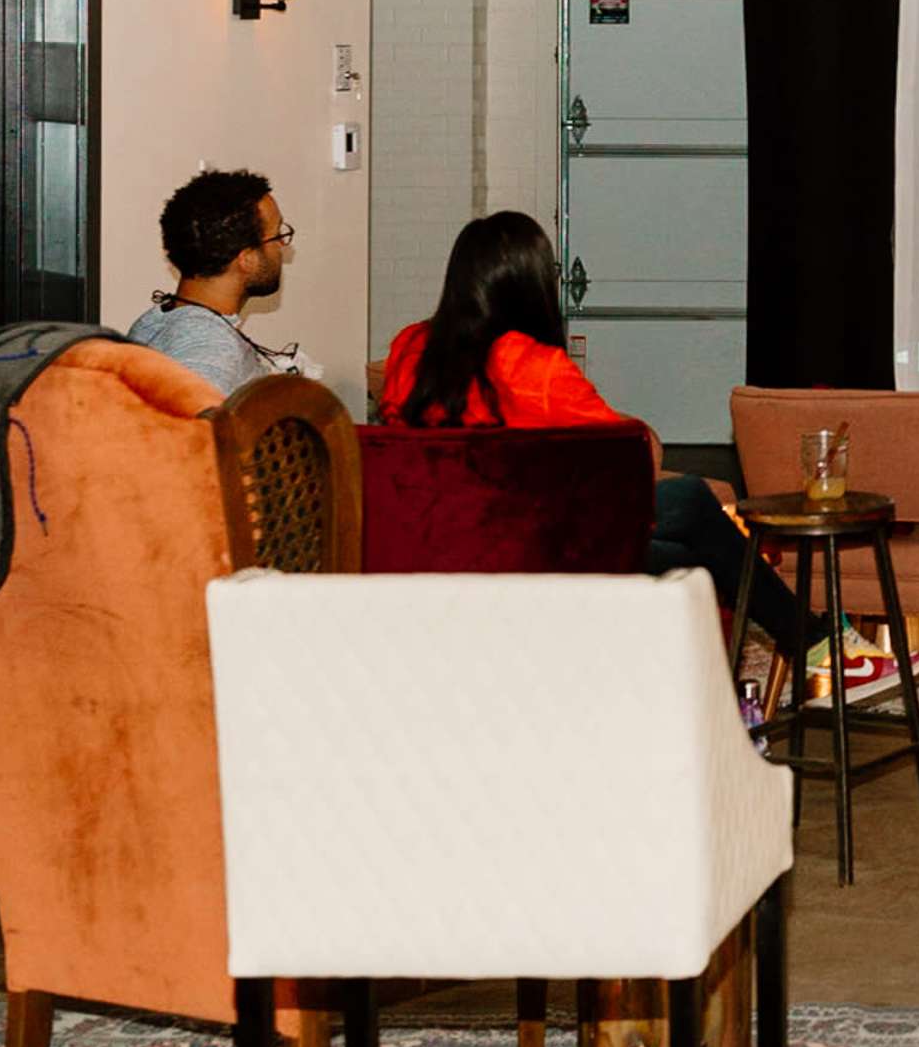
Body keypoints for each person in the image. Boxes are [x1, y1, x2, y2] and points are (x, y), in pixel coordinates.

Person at [379, 211, 827, 672]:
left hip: (439, 548)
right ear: (527, 284)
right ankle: (815, 644)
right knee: (692, 500)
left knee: (692, 560)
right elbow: (633, 459)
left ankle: (807, 642)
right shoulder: (533, 366)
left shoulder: (409, 349)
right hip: (537, 554)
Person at [128, 168, 302, 397]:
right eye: (277, 236)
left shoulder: (157, 321)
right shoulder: (210, 346)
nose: (283, 246)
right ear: (247, 259)